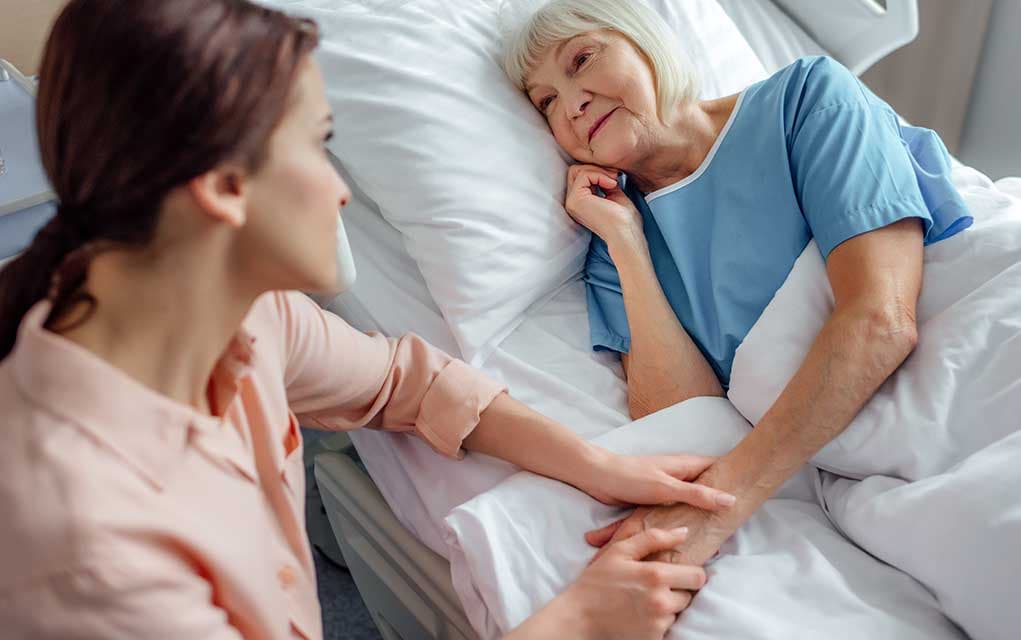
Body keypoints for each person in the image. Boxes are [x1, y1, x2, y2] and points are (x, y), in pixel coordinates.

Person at [0, 1, 729, 638]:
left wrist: (599, 465)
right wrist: (577, 621)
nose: (339, 193)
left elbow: (408, 384)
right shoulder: (91, 561)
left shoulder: (246, 319)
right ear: (223, 189)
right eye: (319, 147)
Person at [505, 0, 971, 576]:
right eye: (545, 101)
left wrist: (721, 507)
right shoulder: (611, 243)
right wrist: (628, 245)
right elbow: (683, 418)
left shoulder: (805, 100)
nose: (571, 105)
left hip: (959, 362)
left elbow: (882, 320)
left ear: (644, 41)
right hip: (842, 457)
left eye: (582, 59)